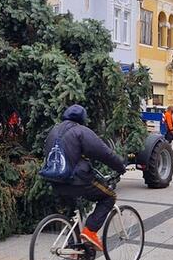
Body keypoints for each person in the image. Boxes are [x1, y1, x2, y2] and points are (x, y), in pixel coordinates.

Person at [40, 105, 127, 251]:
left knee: (73, 212)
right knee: (109, 197)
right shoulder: (81, 131)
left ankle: (75, 246)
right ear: (82, 119)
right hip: (76, 179)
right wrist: (120, 167)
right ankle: (90, 231)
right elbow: (103, 153)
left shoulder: (54, 131)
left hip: (55, 179)